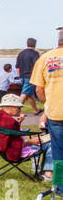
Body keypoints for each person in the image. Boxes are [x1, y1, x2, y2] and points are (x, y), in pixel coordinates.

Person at [28, 27, 63, 176]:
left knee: (58, 150)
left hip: (55, 111)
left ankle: (60, 186)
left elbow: (38, 89)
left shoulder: (45, 58)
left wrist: (48, 104)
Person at [0, 92, 44, 165]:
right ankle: (46, 172)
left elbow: (11, 134)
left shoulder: (0, 115)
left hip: (11, 150)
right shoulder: (9, 121)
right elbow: (8, 145)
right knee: (46, 146)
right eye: (19, 107)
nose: (20, 110)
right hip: (14, 153)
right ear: (11, 106)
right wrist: (30, 142)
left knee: (40, 143)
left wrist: (18, 123)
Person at [18, 37, 41, 114]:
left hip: (22, 76)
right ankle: (15, 110)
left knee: (29, 95)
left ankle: (36, 110)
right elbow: (37, 66)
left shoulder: (21, 53)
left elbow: (17, 67)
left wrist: (20, 76)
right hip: (30, 77)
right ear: (35, 44)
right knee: (24, 94)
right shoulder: (35, 54)